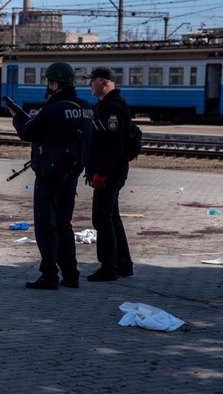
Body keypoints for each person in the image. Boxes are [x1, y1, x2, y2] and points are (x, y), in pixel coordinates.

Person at [11, 62, 93, 290]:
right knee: (64, 224)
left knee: (46, 225)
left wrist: (17, 117)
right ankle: (71, 274)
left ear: (54, 83)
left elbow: (28, 132)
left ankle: (49, 275)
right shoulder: (86, 108)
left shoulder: (53, 109)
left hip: (50, 174)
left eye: (49, 82)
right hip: (73, 173)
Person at [85, 66, 134, 282]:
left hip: (109, 173)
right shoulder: (108, 105)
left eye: (92, 81)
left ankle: (109, 266)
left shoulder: (112, 108)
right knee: (112, 217)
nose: (89, 85)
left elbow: (113, 146)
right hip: (111, 171)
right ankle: (124, 264)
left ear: (103, 82)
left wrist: (101, 173)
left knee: (102, 219)